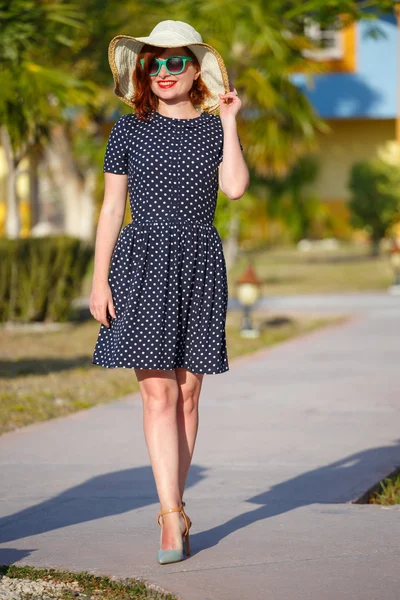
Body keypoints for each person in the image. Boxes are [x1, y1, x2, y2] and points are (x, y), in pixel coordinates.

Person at [89, 20, 249, 565]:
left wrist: (229, 121)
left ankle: (174, 508)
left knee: (188, 394)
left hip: (200, 263)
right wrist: (98, 278)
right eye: (153, 63)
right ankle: (169, 513)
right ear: (142, 71)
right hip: (141, 264)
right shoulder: (127, 130)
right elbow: (112, 209)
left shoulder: (212, 127)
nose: (162, 71)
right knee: (157, 392)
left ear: (194, 70)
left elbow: (234, 187)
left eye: (174, 62)